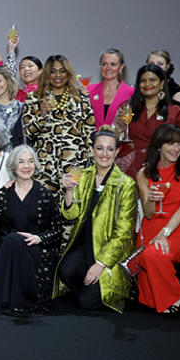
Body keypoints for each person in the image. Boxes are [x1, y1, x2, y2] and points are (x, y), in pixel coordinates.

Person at [54, 128, 138, 312]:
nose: (104, 154)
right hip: (85, 245)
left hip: (108, 250)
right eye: (99, 148)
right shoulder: (84, 176)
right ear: (92, 150)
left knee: (87, 303)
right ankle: (90, 287)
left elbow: (124, 235)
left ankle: (99, 288)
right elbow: (71, 215)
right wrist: (69, 191)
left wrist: (100, 264)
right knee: (64, 271)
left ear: (117, 152)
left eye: (110, 149)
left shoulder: (126, 185)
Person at [0, 145, 62, 315]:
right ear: (14, 166)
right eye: (21, 162)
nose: (26, 166)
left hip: (35, 249)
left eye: (30, 161)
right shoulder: (3, 194)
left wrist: (39, 238)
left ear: (35, 165)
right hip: (8, 250)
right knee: (12, 240)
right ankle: (18, 301)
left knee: (14, 240)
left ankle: (12, 300)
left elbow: (57, 229)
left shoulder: (44, 194)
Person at [134, 124, 180, 314]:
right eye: (170, 143)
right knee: (148, 302)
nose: (176, 149)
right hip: (150, 231)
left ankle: (173, 296)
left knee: (152, 254)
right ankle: (164, 283)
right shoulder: (143, 174)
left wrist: (164, 233)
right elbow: (147, 213)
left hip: (179, 232)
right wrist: (152, 201)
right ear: (159, 146)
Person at [22, 55, 96, 193]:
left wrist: (92, 168)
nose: (58, 75)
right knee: (45, 211)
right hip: (45, 168)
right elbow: (28, 133)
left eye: (62, 71)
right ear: (47, 74)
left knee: (74, 210)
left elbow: (90, 135)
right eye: (53, 71)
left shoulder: (81, 98)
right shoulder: (34, 98)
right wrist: (42, 116)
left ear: (68, 73)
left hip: (75, 166)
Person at [116, 64, 180, 179]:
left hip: (161, 169)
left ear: (162, 83)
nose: (147, 84)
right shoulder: (127, 108)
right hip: (128, 168)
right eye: (143, 81)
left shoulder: (175, 112)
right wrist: (119, 126)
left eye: (152, 80)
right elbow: (116, 139)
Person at [87, 48, 135, 130]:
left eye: (113, 64)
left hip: (118, 142)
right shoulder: (89, 90)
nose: (108, 68)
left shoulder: (131, 92)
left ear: (121, 67)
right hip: (92, 141)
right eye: (104, 64)